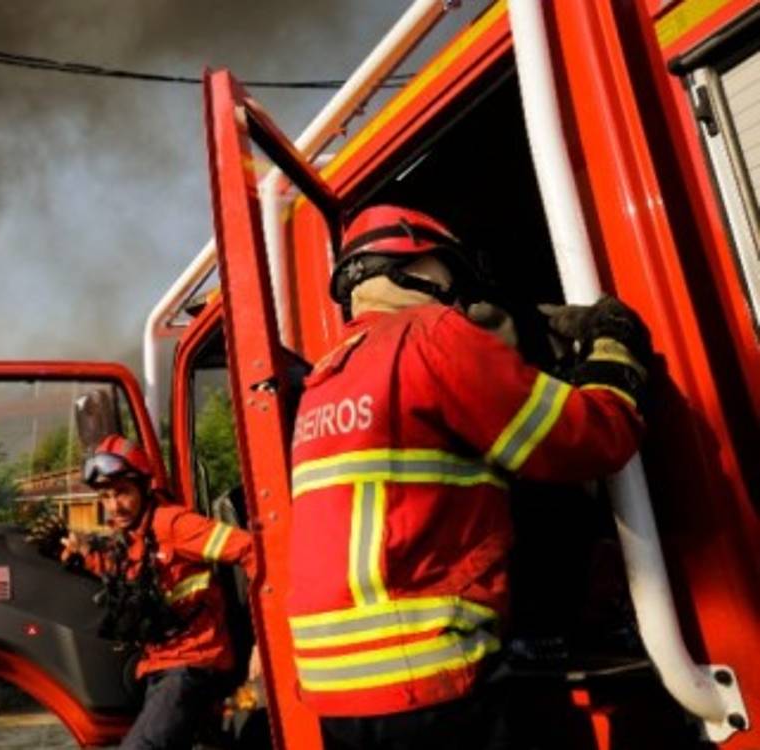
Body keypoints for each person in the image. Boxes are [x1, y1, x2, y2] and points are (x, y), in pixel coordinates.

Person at [287, 205, 652, 749]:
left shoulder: (325, 378)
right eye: (450, 273)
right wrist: (612, 350)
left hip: (337, 693)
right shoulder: (432, 334)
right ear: (416, 265)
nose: (458, 294)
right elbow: (587, 439)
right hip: (431, 679)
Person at [61, 434, 258, 750]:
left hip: (194, 663)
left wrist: (265, 641)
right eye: (107, 496)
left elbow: (251, 549)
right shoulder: (128, 534)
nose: (114, 506)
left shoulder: (174, 524)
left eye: (122, 492)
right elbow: (130, 574)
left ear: (143, 486)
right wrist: (83, 555)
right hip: (159, 665)